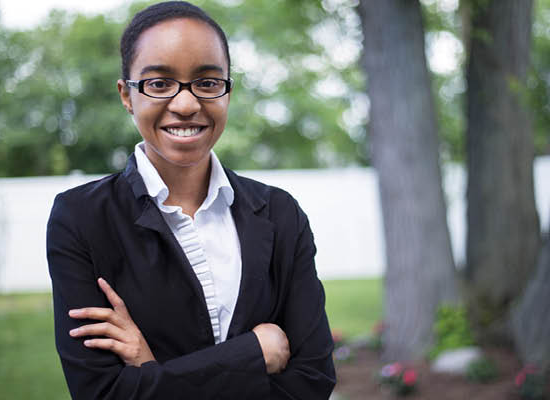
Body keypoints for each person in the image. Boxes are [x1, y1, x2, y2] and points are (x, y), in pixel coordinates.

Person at [45, 2, 337, 398]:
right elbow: (102, 392)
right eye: (159, 84)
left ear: (228, 90)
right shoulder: (81, 218)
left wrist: (150, 372)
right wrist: (253, 354)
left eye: (208, 82)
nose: (186, 105)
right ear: (126, 95)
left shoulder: (280, 213)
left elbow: (312, 381)